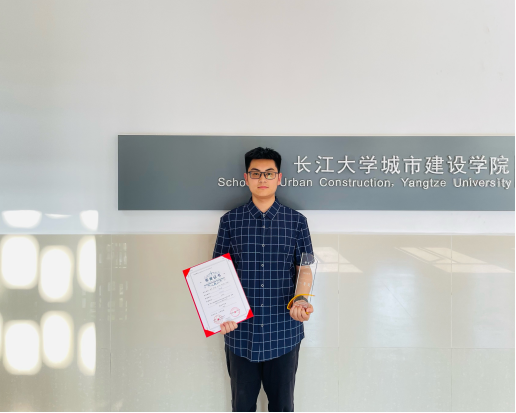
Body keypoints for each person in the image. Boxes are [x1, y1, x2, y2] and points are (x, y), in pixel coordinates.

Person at [213, 147, 315, 412]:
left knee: (282, 406)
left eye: (269, 173)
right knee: (242, 406)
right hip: (239, 331)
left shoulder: (297, 222)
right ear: (246, 178)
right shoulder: (230, 222)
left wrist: (301, 299)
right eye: (256, 173)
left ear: (278, 178)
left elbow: (305, 268)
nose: (262, 179)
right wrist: (220, 313)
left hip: (284, 330)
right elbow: (218, 273)